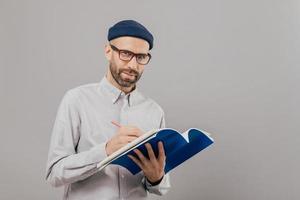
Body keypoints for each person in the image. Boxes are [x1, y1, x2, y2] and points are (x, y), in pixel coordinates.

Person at [45, 19, 171, 200]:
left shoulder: (154, 111)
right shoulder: (77, 100)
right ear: (108, 51)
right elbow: (54, 173)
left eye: (141, 57)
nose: (133, 65)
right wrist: (105, 152)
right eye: (126, 54)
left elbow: (162, 188)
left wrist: (156, 177)